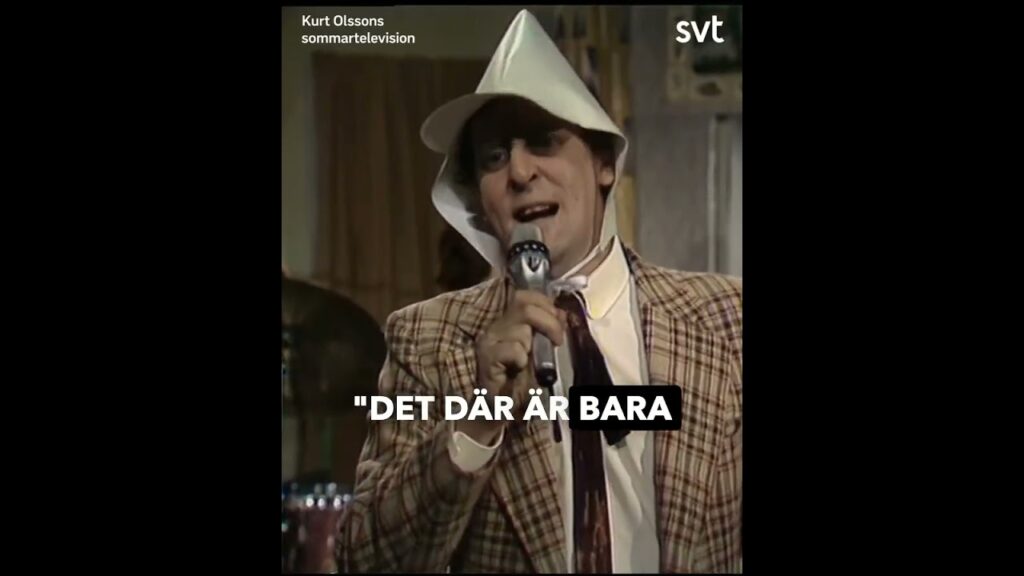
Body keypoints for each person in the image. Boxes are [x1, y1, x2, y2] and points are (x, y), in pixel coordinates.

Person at [337, 9, 741, 573]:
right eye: (494, 157)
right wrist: (480, 415)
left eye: (544, 142)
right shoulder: (426, 339)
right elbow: (365, 558)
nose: (520, 172)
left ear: (604, 164)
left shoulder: (727, 319)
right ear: (478, 199)